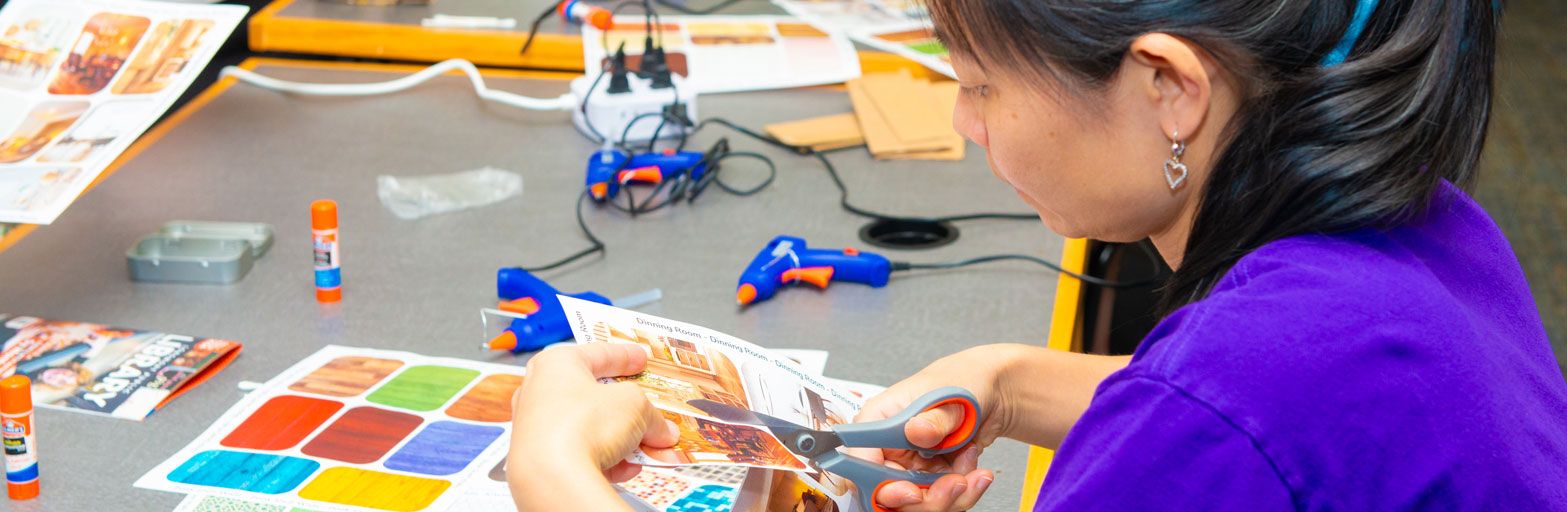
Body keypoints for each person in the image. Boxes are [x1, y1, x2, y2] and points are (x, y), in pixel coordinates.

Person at [507, 0, 1567, 510]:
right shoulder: (1429, 228)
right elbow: (1280, 414)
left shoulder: (1205, 421)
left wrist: (554, 472)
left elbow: (1219, 416)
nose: (965, 125)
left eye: (978, 84)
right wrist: (1005, 383)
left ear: (1169, 87)